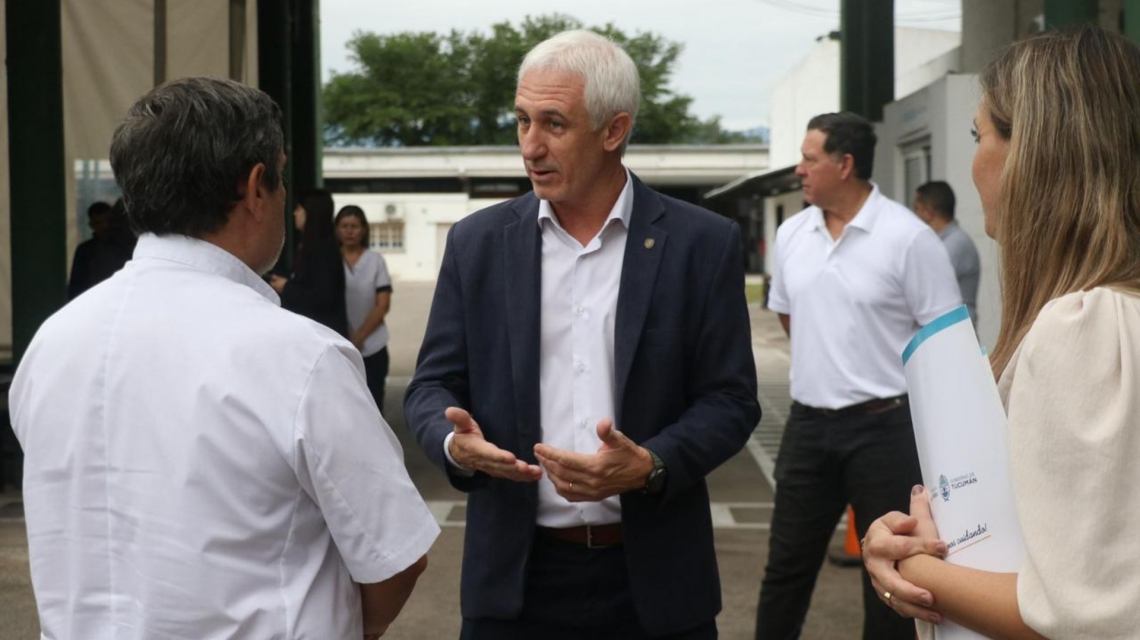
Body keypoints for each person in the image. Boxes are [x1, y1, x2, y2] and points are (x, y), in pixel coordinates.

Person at [9, 77, 439, 639]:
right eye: (281, 177)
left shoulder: (52, 342)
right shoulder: (301, 357)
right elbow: (395, 558)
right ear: (257, 187)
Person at [405, 30, 760, 640]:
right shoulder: (478, 243)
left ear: (613, 130)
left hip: (655, 583)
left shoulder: (702, 244)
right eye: (522, 121)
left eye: (554, 123)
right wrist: (451, 442)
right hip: (514, 582)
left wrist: (651, 464)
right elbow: (431, 385)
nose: (531, 146)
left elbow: (730, 399)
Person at [864, 25, 1140, 640]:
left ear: (1033, 151)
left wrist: (908, 566)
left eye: (979, 135)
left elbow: (1077, 618)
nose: (974, 162)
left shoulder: (1083, 327)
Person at [756, 112, 962, 640]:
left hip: (884, 431)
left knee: (891, 579)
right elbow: (789, 317)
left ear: (845, 164)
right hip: (808, 427)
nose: (799, 169)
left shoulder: (908, 238)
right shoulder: (792, 233)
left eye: (809, 158)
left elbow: (943, 341)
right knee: (785, 568)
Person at [336, 204, 393, 415]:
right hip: (340, 345)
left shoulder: (375, 261)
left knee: (374, 408)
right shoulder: (331, 260)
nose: (349, 231)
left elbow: (383, 304)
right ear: (336, 229)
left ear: (364, 230)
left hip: (373, 346)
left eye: (354, 226)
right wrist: (348, 338)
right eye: (344, 226)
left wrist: (359, 336)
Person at [271, 188, 349, 337]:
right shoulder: (308, 245)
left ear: (311, 213)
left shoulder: (324, 249)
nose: (295, 214)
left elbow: (323, 297)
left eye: (299, 209)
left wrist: (286, 286)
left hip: (323, 334)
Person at [913, 181, 981, 326]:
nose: (914, 216)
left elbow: (922, 289)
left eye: (917, 209)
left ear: (928, 212)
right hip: (949, 329)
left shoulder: (955, 244)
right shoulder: (943, 242)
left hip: (956, 332)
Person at [67, 200, 135, 300]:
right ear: (91, 225)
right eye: (98, 223)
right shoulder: (86, 251)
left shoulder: (128, 248)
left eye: (108, 221)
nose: (105, 226)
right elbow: (77, 287)